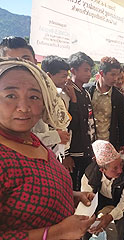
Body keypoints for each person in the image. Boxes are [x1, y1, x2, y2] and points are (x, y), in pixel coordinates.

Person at [0, 58, 95, 239]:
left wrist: (70, 195)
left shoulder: (31, 140)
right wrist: (53, 233)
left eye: (34, 97)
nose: (24, 107)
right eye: (11, 95)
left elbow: (29, 193)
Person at [81, 140, 124, 240]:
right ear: (102, 170)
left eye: (120, 165)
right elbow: (86, 199)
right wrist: (90, 217)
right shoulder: (90, 173)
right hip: (100, 199)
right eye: (115, 168)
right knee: (87, 225)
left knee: (123, 225)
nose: (120, 170)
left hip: (119, 200)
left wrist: (109, 217)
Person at [63, 52, 96, 191]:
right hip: (74, 152)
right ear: (73, 70)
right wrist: (66, 155)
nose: (89, 74)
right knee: (74, 189)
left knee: (85, 187)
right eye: (85, 70)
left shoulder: (85, 92)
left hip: (86, 149)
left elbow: (90, 122)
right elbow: (65, 126)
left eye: (90, 70)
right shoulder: (66, 94)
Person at [31, 55, 71, 158]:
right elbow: (28, 137)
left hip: (54, 155)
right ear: (48, 76)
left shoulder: (60, 96)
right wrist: (56, 137)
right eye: (63, 76)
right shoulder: (35, 99)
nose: (66, 80)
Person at [86, 57, 124, 152]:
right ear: (101, 73)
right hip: (89, 145)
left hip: (109, 145)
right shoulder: (87, 91)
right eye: (112, 74)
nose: (115, 79)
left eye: (117, 75)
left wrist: (123, 144)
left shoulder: (119, 98)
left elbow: (122, 123)